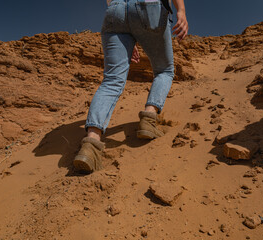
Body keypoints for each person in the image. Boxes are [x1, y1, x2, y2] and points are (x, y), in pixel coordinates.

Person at [73, 0, 189, 173]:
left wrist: (130, 30)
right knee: (164, 70)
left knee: (111, 81)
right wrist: (181, 10)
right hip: (149, 7)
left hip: (115, 11)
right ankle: (149, 118)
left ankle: (91, 144)